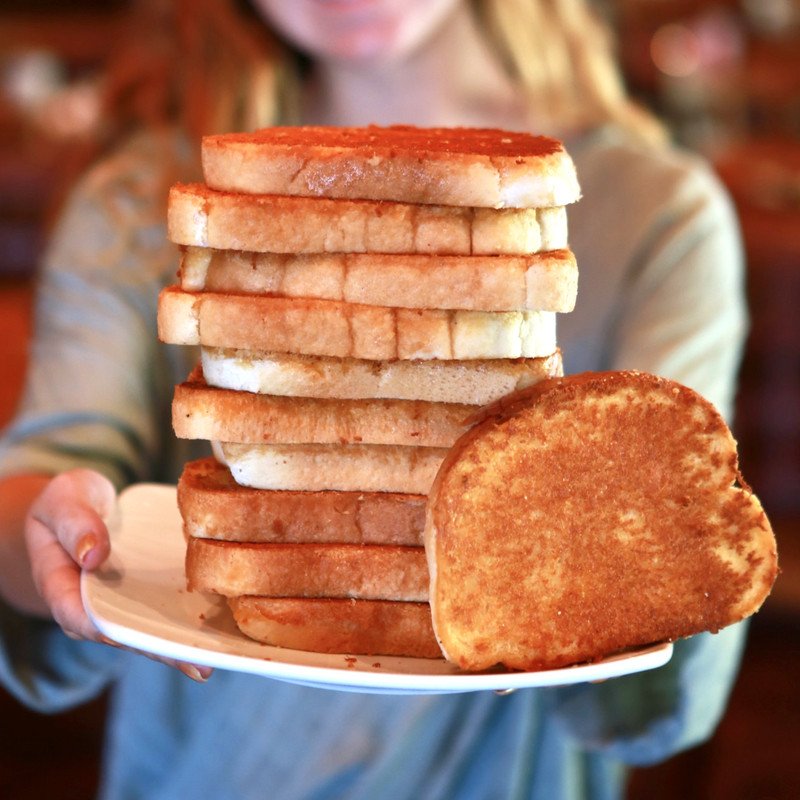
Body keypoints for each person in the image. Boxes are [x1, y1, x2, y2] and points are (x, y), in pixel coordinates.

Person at [0, 0, 749, 797]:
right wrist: (48, 533)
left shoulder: (661, 216)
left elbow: (658, 665)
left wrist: (652, 569)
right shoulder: (133, 203)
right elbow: (48, 480)